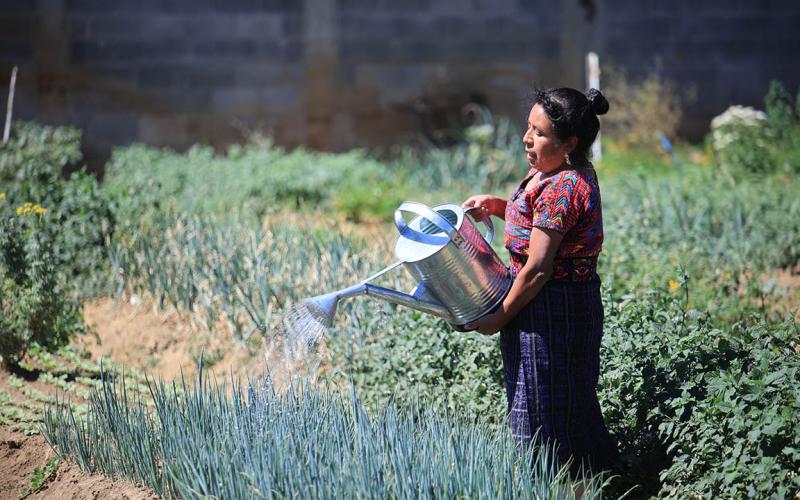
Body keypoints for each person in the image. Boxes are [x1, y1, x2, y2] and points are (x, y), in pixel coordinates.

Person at [461, 87, 619, 474]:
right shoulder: (547, 173)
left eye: (541, 133)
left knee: (544, 413)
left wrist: (498, 316)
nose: (527, 139)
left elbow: (537, 268)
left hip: (554, 311)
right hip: (539, 304)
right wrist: (497, 207)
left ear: (569, 143)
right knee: (549, 404)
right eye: (528, 127)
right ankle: (580, 481)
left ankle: (566, 484)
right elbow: (535, 226)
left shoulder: (564, 187)